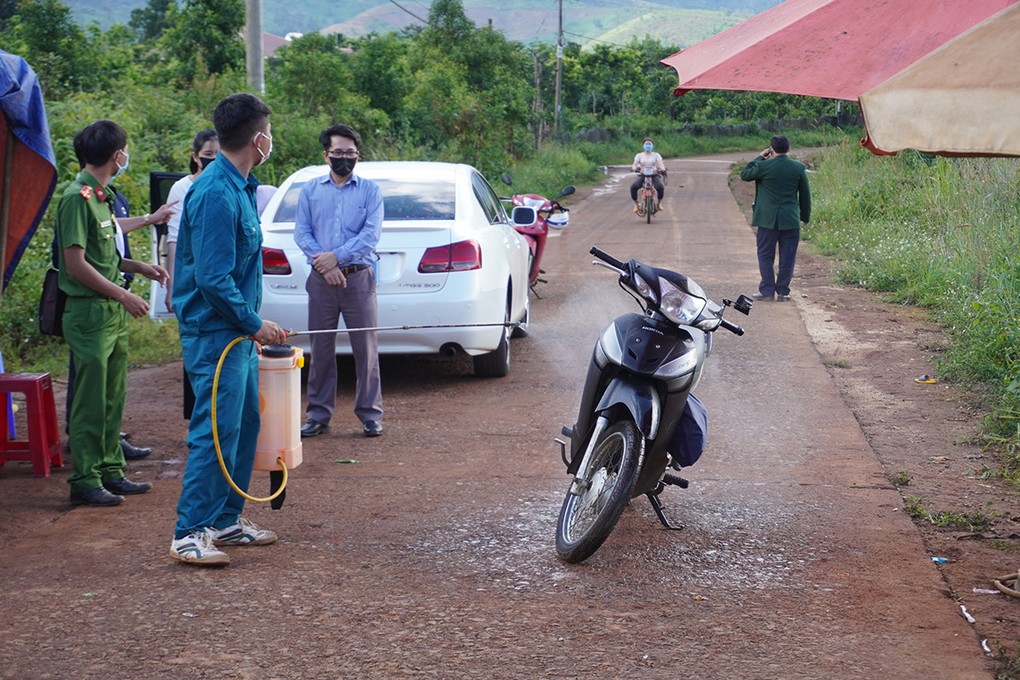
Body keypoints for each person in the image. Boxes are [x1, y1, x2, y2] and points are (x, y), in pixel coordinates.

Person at [169, 93, 287, 567]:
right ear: (259, 140)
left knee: (243, 426)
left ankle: (225, 521)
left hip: (236, 334)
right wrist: (255, 323)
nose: (271, 141)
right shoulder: (216, 192)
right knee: (215, 432)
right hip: (215, 333)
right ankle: (189, 531)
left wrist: (251, 326)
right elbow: (212, 278)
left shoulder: (240, 185)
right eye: (270, 134)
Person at [55, 120, 169, 507]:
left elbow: (107, 254)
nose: (125, 156)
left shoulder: (99, 197)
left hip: (110, 315)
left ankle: (109, 469)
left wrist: (139, 268)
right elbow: (75, 265)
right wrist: (123, 294)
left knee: (112, 396)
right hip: (89, 314)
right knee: (89, 401)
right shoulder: (76, 197)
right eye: (124, 149)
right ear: (115, 154)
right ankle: (85, 478)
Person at [294, 123, 384, 439]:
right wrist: (325, 263)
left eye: (349, 153)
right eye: (337, 153)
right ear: (326, 155)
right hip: (321, 281)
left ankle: (370, 415)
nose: (343, 158)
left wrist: (337, 258)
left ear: (358, 155)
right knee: (319, 349)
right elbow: (302, 233)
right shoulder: (310, 190)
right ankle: (318, 414)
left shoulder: (371, 191)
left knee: (366, 349)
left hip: (358, 279)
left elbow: (370, 236)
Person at [739, 135, 811, 301]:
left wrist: (759, 156)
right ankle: (783, 291)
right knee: (788, 256)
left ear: (771, 149)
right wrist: (805, 216)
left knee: (765, 255)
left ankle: (767, 290)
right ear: (789, 149)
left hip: (767, 220)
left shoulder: (764, 166)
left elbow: (745, 174)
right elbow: (805, 196)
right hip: (790, 219)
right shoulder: (798, 167)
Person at [164, 128, 220, 314]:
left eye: (219, 154)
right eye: (208, 154)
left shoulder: (226, 185)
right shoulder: (182, 188)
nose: (213, 159)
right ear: (195, 157)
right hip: (191, 270)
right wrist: (172, 287)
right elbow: (174, 239)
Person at [630, 138, 666, 213]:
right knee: (633, 187)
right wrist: (634, 168)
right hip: (642, 174)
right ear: (643, 145)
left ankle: (659, 204)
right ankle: (636, 204)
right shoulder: (639, 155)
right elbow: (635, 164)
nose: (648, 145)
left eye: (649, 144)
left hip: (654, 174)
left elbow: (661, 163)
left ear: (652, 145)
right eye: (646, 144)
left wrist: (662, 169)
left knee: (660, 187)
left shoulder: (656, 155)